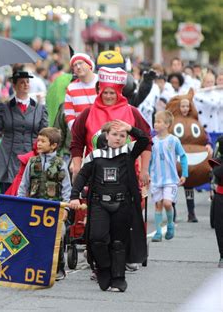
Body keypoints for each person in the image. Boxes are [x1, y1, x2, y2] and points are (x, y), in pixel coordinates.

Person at [69, 119, 149, 292]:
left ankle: (119, 278)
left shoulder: (128, 151)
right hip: (99, 203)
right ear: (106, 136)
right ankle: (103, 269)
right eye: (114, 134)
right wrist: (74, 196)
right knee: (97, 238)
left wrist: (130, 127)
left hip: (122, 203)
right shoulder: (95, 155)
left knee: (118, 242)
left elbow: (145, 139)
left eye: (122, 135)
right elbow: (82, 176)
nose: (118, 138)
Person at [70, 66, 151, 186]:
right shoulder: (88, 113)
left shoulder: (132, 112)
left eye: (112, 93)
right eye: (105, 92)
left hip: (127, 176)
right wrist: (77, 168)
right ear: (100, 92)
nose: (108, 96)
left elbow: (147, 140)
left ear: (119, 93)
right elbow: (76, 143)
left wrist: (144, 170)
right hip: (94, 176)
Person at [17, 127, 71, 281]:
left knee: (57, 235)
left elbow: (67, 187)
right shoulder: (32, 162)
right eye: (38, 140)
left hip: (54, 208)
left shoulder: (60, 164)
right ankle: (33, 266)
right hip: (34, 208)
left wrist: (66, 207)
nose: (38, 144)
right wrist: (20, 202)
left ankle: (58, 267)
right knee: (32, 235)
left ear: (53, 145)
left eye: (43, 141)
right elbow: (24, 184)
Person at [0, 71, 48, 193]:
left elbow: (44, 131)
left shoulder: (39, 108)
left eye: (27, 82)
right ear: (14, 86)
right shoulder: (4, 107)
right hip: (8, 158)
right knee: (8, 195)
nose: (26, 85)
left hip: (31, 156)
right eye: (22, 82)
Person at [149, 111, 188, 242]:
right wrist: (147, 175)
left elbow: (183, 156)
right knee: (158, 205)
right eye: (155, 121)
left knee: (167, 203)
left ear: (167, 124)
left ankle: (170, 224)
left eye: (159, 121)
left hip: (170, 179)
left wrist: (184, 173)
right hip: (156, 179)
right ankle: (158, 232)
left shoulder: (173, 140)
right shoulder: (152, 142)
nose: (156, 124)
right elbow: (149, 160)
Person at [63, 53, 98, 130]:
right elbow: (69, 115)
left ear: (89, 65)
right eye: (75, 65)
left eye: (80, 63)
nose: (78, 67)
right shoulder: (71, 88)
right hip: (82, 133)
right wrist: (77, 132)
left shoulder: (101, 82)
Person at [209, 136, 223, 268]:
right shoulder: (221, 141)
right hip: (220, 195)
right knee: (220, 227)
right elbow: (215, 172)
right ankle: (222, 255)